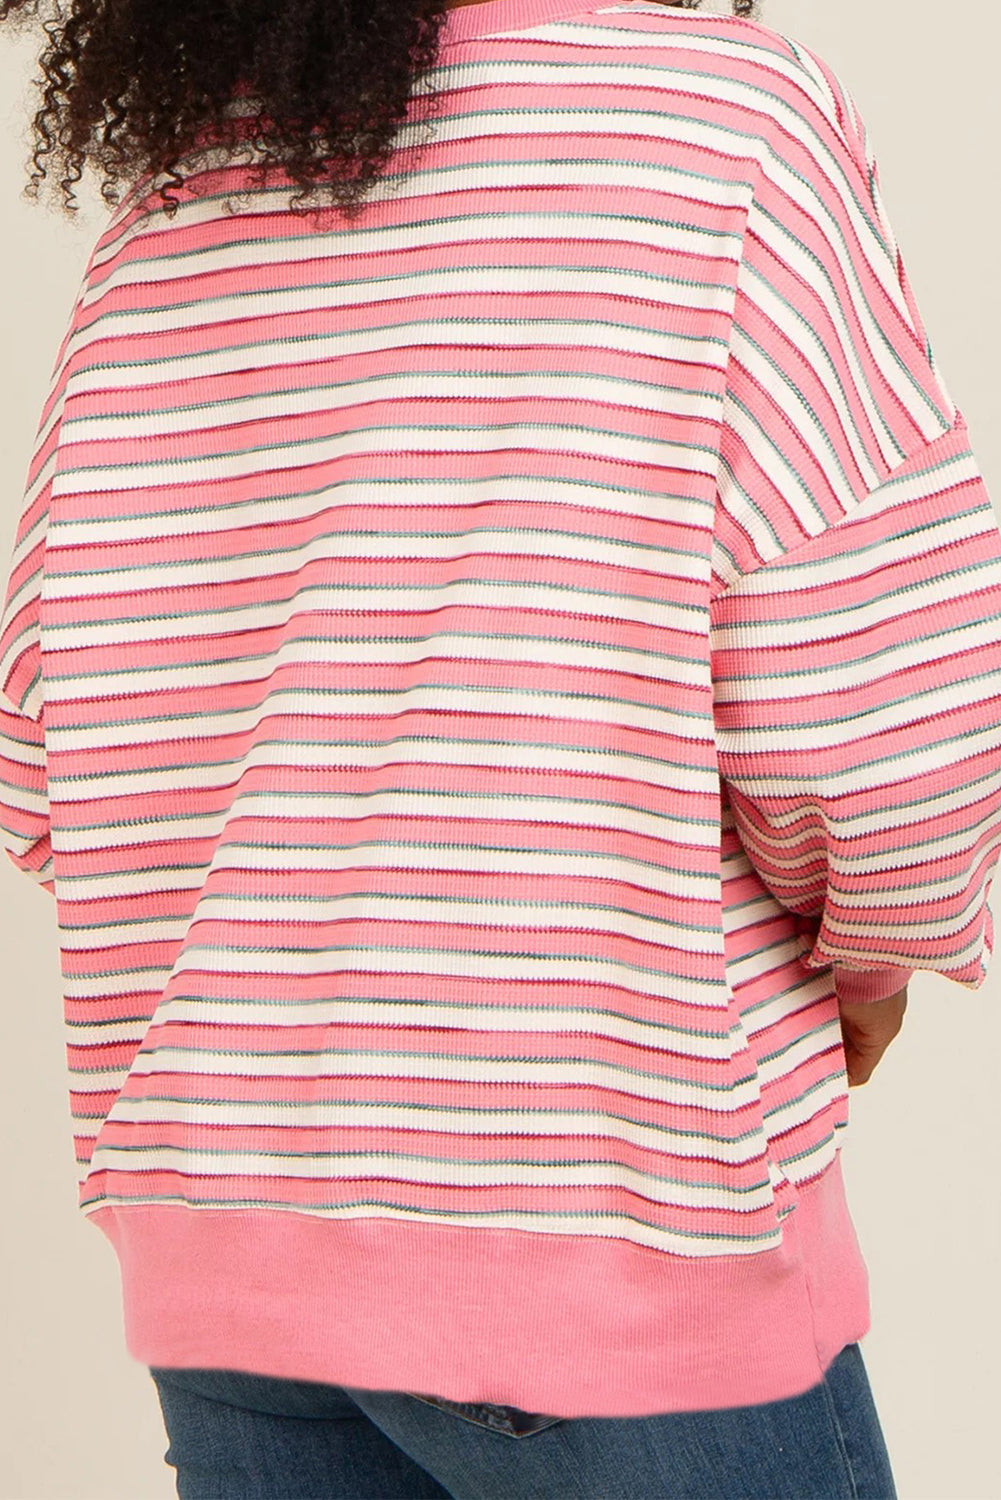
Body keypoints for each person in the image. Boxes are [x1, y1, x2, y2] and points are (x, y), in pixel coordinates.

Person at [0, 0, 995, 1494]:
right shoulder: (723, 127)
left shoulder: (172, 202)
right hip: (613, 1235)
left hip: (233, 1268)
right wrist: (871, 963)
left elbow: (45, 745)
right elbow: (879, 719)